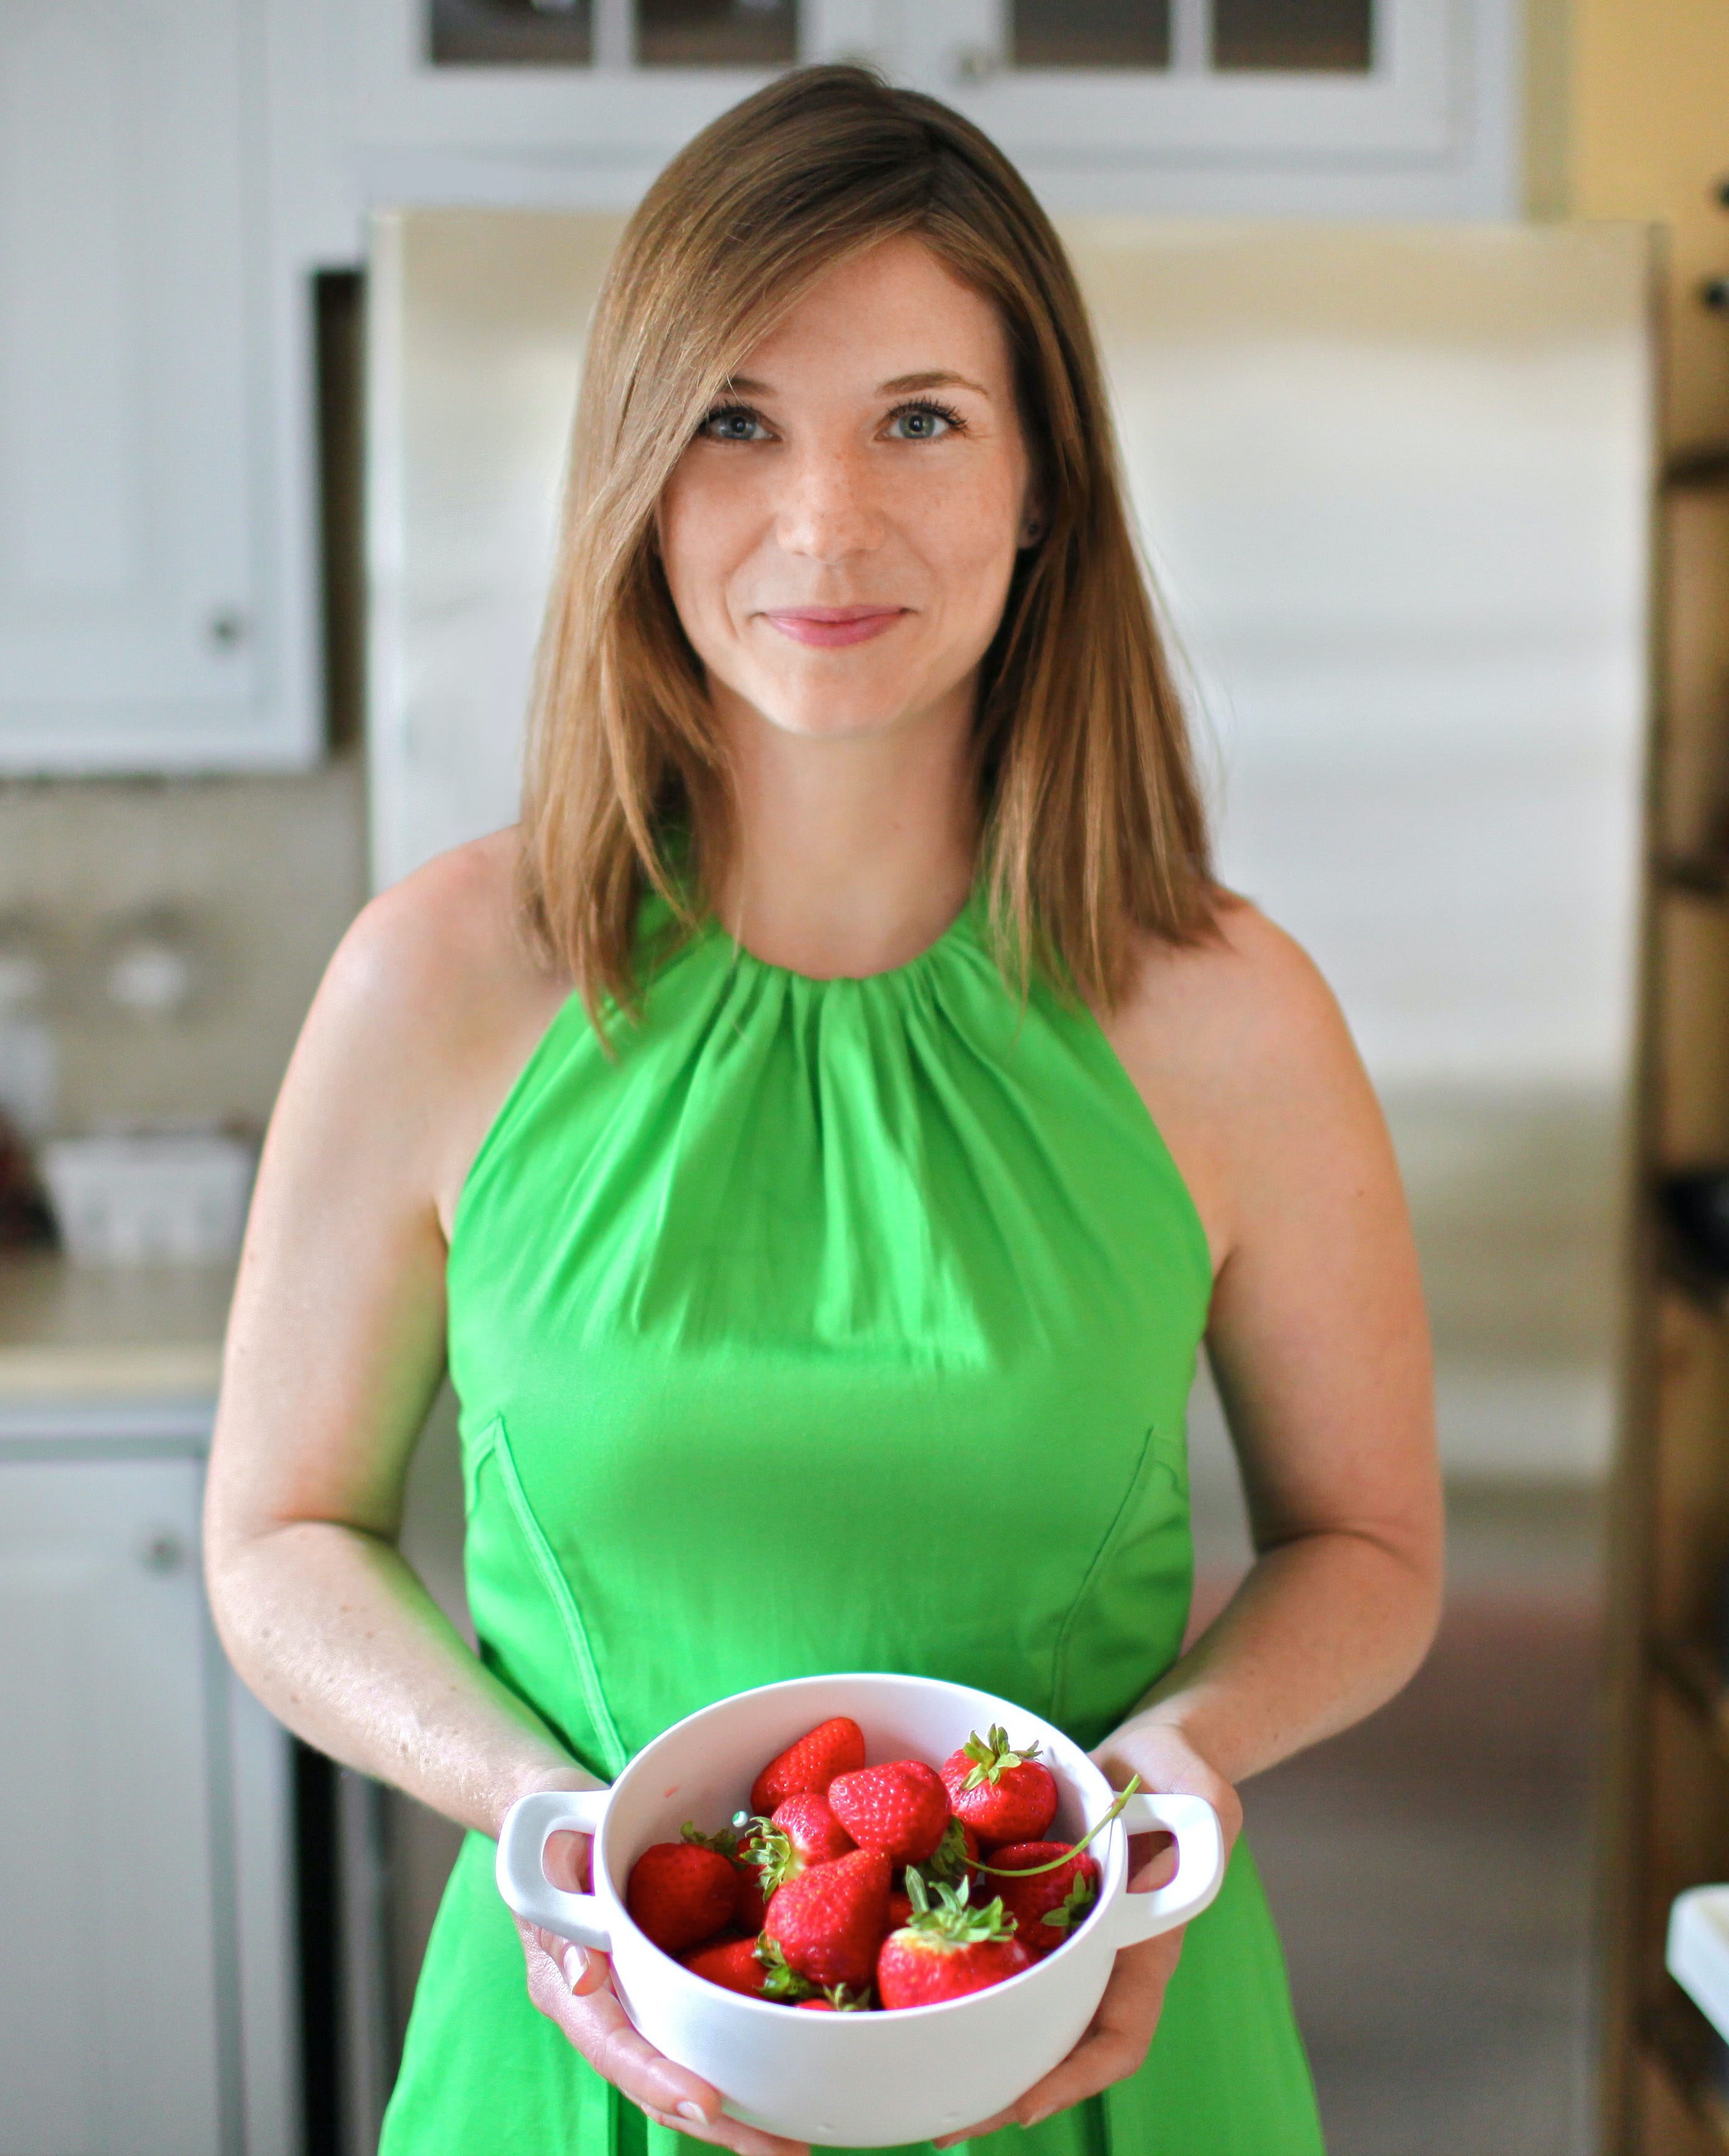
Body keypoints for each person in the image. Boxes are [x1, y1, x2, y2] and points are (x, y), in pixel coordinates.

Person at [204, 63, 1440, 2156]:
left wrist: (1159, 1778)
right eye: (734, 421)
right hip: (580, 2035)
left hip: (1108, 2049)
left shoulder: (1224, 1011)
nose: (823, 524)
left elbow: (1375, 1545)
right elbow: (276, 1537)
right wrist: (535, 1817)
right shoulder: (436, 982)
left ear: (1044, 478)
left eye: (921, 419)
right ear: (634, 475)